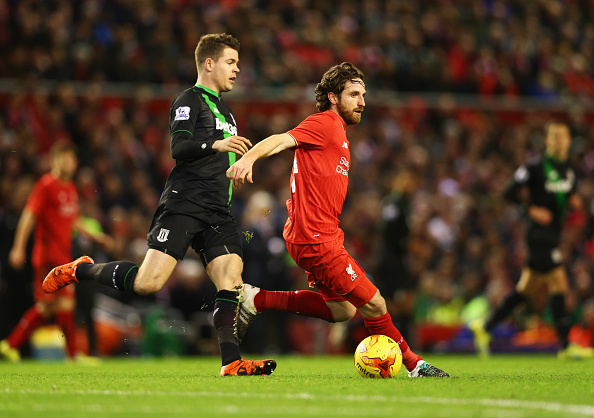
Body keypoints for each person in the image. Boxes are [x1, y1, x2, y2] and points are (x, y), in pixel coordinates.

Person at [42, 33, 276, 376]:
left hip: (217, 210)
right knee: (148, 283)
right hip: (185, 203)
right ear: (209, 64)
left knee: (231, 277)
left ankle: (231, 362)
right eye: (231, 62)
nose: (237, 69)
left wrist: (235, 168)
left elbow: (218, 154)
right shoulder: (188, 100)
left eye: (238, 63)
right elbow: (179, 149)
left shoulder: (227, 110)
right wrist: (218, 145)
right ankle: (82, 269)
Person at [227, 62, 449, 377]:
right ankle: (414, 365)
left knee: (342, 310)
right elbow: (280, 139)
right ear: (333, 97)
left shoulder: (338, 133)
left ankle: (256, 298)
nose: (362, 101)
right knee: (375, 304)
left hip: (314, 237)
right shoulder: (326, 123)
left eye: (364, 95)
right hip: (315, 239)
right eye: (354, 94)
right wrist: (248, 158)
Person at [470, 121, 592, 360]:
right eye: (554, 136)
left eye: (563, 136)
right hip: (538, 235)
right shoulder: (535, 166)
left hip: (554, 233)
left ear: (568, 141)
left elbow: (569, 194)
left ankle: (485, 327)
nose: (559, 140)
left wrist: (574, 201)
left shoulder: (568, 168)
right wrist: (531, 209)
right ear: (547, 141)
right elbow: (509, 191)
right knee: (559, 283)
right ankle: (566, 345)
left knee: (526, 289)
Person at [0, 142, 109, 362]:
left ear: (75, 163)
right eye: (62, 157)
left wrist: (98, 237)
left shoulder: (69, 188)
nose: (67, 162)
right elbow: (29, 215)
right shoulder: (45, 185)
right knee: (57, 304)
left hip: (63, 255)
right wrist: (18, 247)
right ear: (54, 160)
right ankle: (70, 355)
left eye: (70, 158)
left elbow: (74, 219)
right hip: (47, 255)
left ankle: (11, 344)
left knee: (52, 306)